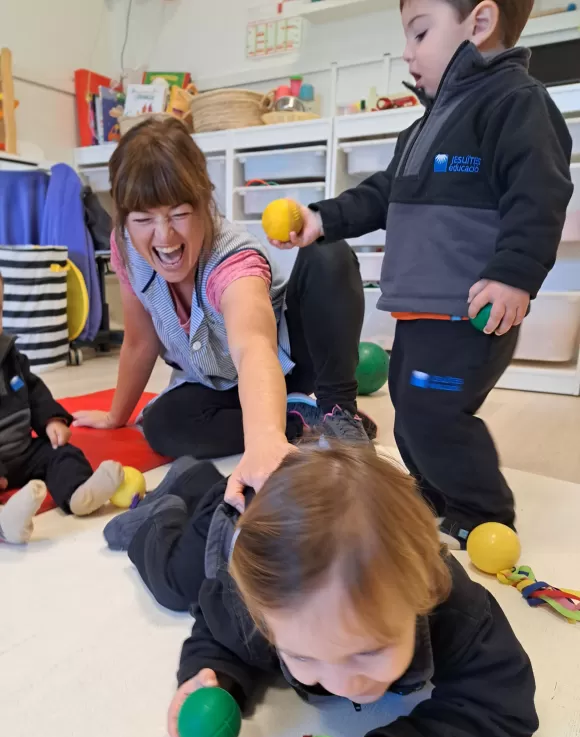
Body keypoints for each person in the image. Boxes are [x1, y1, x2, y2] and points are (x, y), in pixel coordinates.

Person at [270, 0, 573, 547]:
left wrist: (515, 275)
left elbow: (541, 194)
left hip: (468, 312)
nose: (407, 53)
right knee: (410, 415)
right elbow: (381, 195)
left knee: (436, 414)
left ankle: (483, 510)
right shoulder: (424, 126)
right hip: (418, 314)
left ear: (478, 24)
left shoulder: (515, 103)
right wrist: (322, 219)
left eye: (420, 33)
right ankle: (435, 490)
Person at [162, 444, 538, 737]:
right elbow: (215, 630)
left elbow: (502, 707)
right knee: (170, 582)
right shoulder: (262, 605)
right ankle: (169, 502)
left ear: (423, 593)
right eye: (304, 656)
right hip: (228, 511)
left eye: (368, 651)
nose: (343, 685)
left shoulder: (454, 608)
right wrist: (214, 675)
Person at [73, 117, 371, 512]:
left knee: (328, 254)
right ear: (125, 219)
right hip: (217, 381)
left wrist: (264, 441)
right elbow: (140, 340)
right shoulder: (126, 246)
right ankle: (296, 420)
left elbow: (253, 347)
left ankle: (336, 415)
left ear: (204, 202)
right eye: (144, 219)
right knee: (163, 426)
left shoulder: (232, 258)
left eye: (179, 213)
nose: (164, 238)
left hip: (285, 360)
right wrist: (115, 416)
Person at [0, 276, 123, 544]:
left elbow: (34, 393)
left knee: (62, 453)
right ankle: (6, 523)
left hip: (22, 450)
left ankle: (78, 493)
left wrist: (51, 421)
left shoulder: (10, 357)